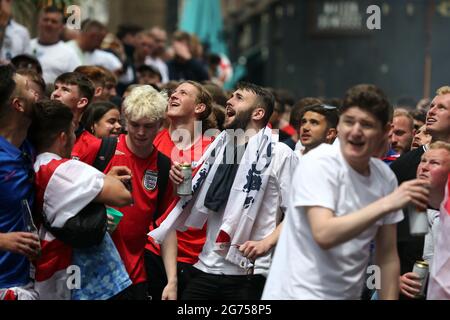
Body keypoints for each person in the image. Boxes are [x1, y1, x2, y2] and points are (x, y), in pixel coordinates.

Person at [262, 84, 429, 300]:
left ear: (385, 132)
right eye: (349, 121)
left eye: (367, 125)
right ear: (339, 126)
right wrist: (386, 204)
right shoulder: (318, 162)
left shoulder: (384, 177)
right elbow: (324, 234)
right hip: (295, 294)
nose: (356, 131)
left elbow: (386, 256)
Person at [150, 82, 298, 300]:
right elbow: (195, 200)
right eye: (230, 96)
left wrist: (265, 243)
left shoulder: (279, 154)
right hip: (206, 265)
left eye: (238, 98)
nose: (229, 101)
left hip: (249, 271)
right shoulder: (220, 147)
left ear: (258, 113)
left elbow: (297, 211)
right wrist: (178, 182)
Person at [28, 99, 132, 300]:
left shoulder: (33, 165)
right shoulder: (61, 169)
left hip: (52, 274)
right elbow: (122, 196)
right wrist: (106, 181)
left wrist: (104, 179)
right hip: (87, 281)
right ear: (64, 137)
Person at [106, 85, 177, 300]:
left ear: (160, 124)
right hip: (96, 270)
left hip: (136, 275)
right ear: (125, 119)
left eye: (148, 126)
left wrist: (172, 281)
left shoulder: (164, 166)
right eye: (135, 125)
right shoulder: (104, 150)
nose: (140, 132)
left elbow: (167, 227)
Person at [144, 81, 214, 300]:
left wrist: (187, 187)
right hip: (152, 246)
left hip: (196, 252)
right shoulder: (151, 140)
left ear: (199, 107)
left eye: (183, 93)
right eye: (173, 93)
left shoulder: (213, 147)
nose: (173, 96)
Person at [390, 86, 450, 295]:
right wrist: (389, 279)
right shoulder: (405, 166)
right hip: (407, 287)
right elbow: (375, 239)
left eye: (441, 107)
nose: (431, 111)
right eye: (431, 106)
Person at [0, 64, 40, 300]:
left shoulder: (29, 147)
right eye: (28, 88)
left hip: (24, 282)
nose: (37, 93)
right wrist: (3, 240)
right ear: (19, 105)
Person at [398, 142, 450, 299]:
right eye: (423, 161)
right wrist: (392, 280)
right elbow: (373, 261)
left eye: (434, 163)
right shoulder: (406, 211)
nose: (424, 167)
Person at [51, 72, 103, 166]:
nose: (55, 93)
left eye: (65, 90)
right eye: (56, 88)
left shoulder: (92, 145)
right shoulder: (37, 130)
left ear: (81, 102)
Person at [29, 6, 81, 83]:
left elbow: (77, 82)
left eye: (54, 21)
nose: (49, 24)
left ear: (61, 27)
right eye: (45, 20)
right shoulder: (27, 46)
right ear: (38, 22)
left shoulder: (69, 54)